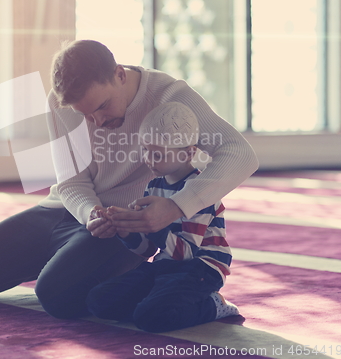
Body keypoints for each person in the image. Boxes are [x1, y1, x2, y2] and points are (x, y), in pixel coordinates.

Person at [0, 40, 258, 320]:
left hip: (126, 226)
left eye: (102, 106)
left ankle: (174, 288)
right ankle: (70, 260)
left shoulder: (168, 95)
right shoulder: (59, 103)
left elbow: (240, 153)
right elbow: (71, 183)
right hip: (71, 212)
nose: (98, 122)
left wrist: (176, 207)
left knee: (57, 298)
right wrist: (90, 214)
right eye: (86, 115)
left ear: (119, 74)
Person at [86, 102, 239, 333]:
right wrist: (125, 229)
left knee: (152, 317)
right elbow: (147, 249)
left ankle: (213, 305)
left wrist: (152, 225)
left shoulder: (199, 191)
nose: (149, 159)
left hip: (201, 269)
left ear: (189, 152)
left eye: (157, 154)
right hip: (167, 265)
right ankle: (153, 303)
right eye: (146, 150)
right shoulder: (154, 186)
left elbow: (186, 253)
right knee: (98, 301)